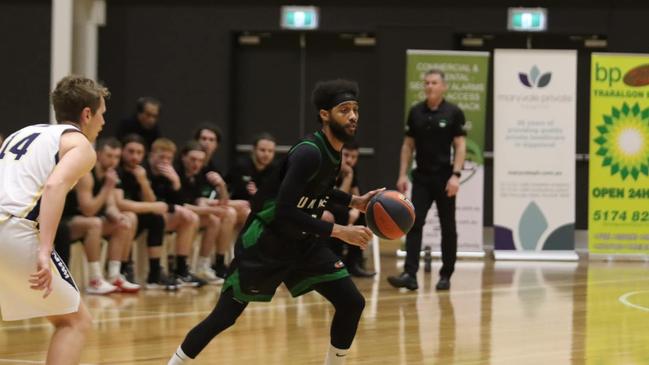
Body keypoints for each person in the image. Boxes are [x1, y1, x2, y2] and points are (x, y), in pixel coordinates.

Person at [168, 79, 383, 365]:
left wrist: (352, 201)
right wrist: (339, 231)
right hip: (267, 242)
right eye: (345, 110)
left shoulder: (334, 150)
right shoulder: (309, 152)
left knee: (352, 302)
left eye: (355, 109)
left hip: (303, 242)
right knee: (224, 316)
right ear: (324, 114)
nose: (353, 116)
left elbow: (318, 190)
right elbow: (284, 209)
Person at [0, 75, 107, 364]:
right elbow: (54, 186)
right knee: (74, 322)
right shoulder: (80, 146)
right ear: (87, 114)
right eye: (101, 115)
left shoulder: (20, 134)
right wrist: (45, 250)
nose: (103, 122)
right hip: (13, 229)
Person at [387, 69, 466, 291]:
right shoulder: (415, 112)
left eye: (434, 83)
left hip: (444, 178)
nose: (429, 86)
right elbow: (408, 145)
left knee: (448, 226)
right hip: (421, 177)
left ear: (443, 87)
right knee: (414, 222)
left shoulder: (453, 112)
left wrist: (456, 176)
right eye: (427, 83)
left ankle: (446, 275)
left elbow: (460, 146)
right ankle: (410, 274)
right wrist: (402, 174)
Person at [66, 137, 140, 293]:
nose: (114, 161)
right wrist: (107, 187)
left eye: (117, 157)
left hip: (88, 221)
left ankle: (114, 275)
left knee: (127, 219)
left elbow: (111, 206)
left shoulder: (109, 174)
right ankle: (95, 279)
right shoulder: (86, 174)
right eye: (109, 156)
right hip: (66, 222)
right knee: (94, 223)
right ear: (98, 154)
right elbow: (88, 210)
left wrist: (118, 217)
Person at [114, 134, 177, 290]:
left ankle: (154, 274)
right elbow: (120, 204)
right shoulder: (117, 171)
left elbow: (151, 200)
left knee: (156, 219)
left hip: (135, 216)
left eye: (139, 152)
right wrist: (153, 207)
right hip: (115, 217)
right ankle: (124, 268)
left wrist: (143, 181)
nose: (135, 156)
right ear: (123, 151)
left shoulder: (141, 172)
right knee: (132, 217)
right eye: (131, 151)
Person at [176, 141, 237, 284]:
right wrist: (209, 209)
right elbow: (179, 205)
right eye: (193, 159)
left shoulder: (198, 175)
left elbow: (223, 202)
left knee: (216, 219)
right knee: (207, 217)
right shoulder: (177, 173)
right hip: (175, 214)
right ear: (183, 157)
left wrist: (221, 185)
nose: (196, 164)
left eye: (200, 161)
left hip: (188, 215)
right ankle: (180, 268)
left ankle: (203, 266)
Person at [145, 138, 204, 287]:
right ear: (151, 155)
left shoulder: (169, 174)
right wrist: (173, 208)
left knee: (190, 218)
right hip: (144, 214)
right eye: (161, 157)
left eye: (168, 158)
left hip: (159, 213)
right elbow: (154, 203)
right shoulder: (144, 171)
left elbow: (178, 203)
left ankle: (181, 269)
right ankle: (155, 272)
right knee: (157, 218)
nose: (165, 161)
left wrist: (176, 183)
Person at [322, 141, 375, 278]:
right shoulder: (329, 167)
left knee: (363, 215)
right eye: (346, 155)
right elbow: (336, 198)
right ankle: (336, 260)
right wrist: (348, 176)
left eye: (354, 157)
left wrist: (356, 211)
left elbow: (357, 195)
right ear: (340, 153)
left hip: (339, 209)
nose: (350, 160)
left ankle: (353, 263)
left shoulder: (352, 169)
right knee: (340, 213)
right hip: (321, 207)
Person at [226, 132, 277, 202]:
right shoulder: (241, 167)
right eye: (262, 150)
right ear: (253, 150)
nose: (266, 154)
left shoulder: (275, 170)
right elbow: (228, 189)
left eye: (270, 151)